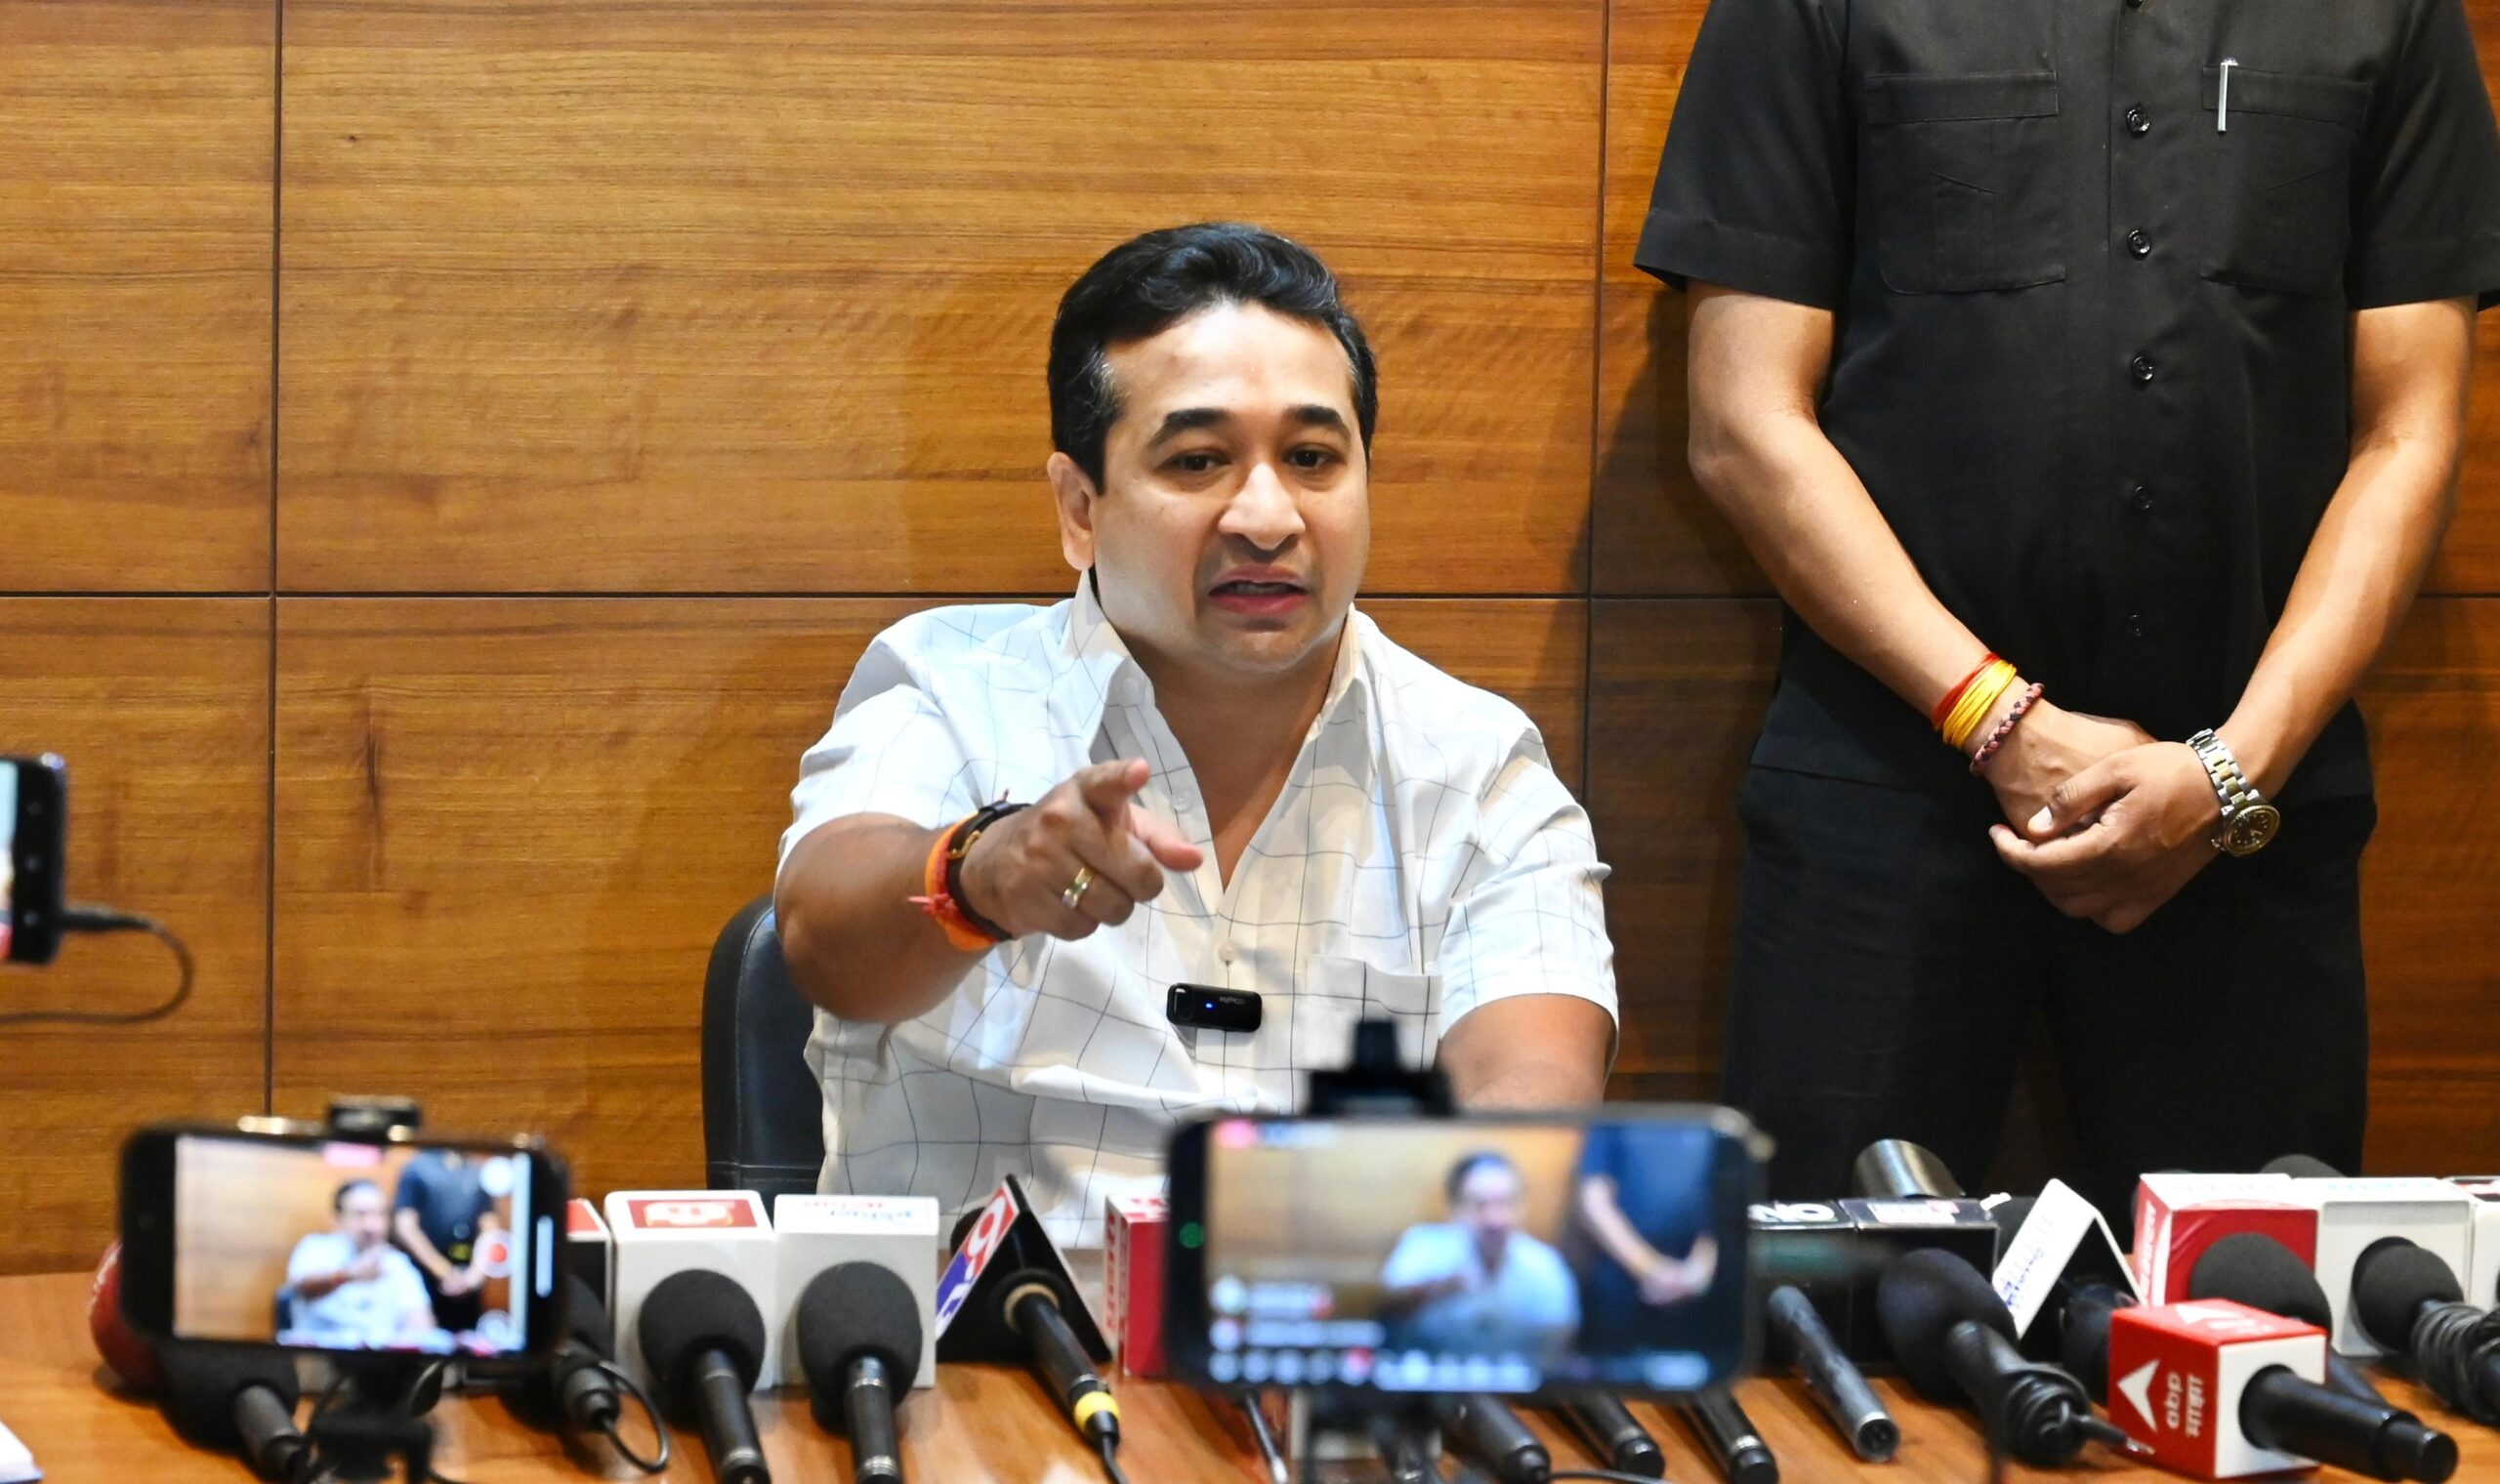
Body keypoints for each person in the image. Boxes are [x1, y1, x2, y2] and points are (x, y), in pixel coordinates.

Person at [1634, 0, 2500, 1219]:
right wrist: (1998, 719)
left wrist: (2228, 773)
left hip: (2242, 817)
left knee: (2247, 1314)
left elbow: (2408, 435)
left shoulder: (2392, 13)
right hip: (1884, 801)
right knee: (1829, 1310)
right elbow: (1741, 420)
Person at [774, 223, 1618, 1247]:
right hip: (982, 1338)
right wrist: (978, 875)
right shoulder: (949, 688)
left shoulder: (1477, 766)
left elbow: (1529, 1100)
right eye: (1199, 460)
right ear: (1079, 507)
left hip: (1330, 1321)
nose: (1267, 517)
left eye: (1312, 458)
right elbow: (823, 942)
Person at [1377, 1152, 1578, 1365]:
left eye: (1505, 1203)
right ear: (1455, 1207)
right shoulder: (1422, 1247)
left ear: (1522, 1206)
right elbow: (1387, 1314)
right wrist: (1436, 1290)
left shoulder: (1545, 1266)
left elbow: (1557, 1343)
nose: (1494, 1219)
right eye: (1479, 1205)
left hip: (1517, 1383)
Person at [1569, 1123, 1722, 1353]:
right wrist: (1651, 1269)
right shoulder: (1612, 1124)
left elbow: (1720, 1203)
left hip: (1692, 1291)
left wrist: (1698, 1272)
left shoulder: (1710, 1125)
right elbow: (1592, 1204)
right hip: (1619, 1289)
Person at [282, 1179, 437, 1347]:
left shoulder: (398, 1263)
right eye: (360, 1214)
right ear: (338, 1218)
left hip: (381, 1357)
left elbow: (421, 1324)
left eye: (379, 1214)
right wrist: (347, 1275)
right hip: (323, 1352)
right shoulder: (317, 1247)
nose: (370, 1225)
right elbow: (302, 1287)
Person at [391, 1149, 500, 1333]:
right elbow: (406, 1226)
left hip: (467, 1284)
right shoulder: (417, 1168)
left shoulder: (475, 1171)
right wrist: (445, 1272)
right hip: (424, 1280)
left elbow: (490, 1228)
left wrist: (474, 1275)